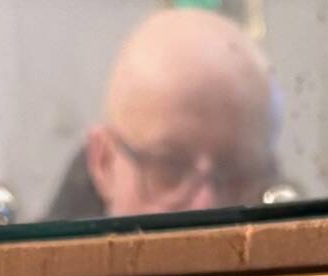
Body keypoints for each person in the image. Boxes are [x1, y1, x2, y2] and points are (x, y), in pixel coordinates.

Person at [44, 7, 282, 220]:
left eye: (236, 174)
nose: (206, 207)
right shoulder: (29, 267)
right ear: (104, 162)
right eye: (170, 168)